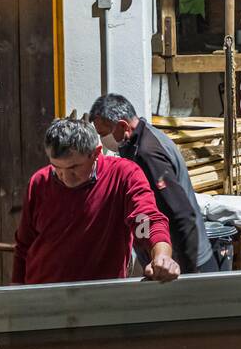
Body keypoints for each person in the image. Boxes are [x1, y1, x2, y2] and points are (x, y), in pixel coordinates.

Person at [12, 116, 180, 285]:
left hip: (100, 294)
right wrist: (16, 288)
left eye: (74, 168)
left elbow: (144, 220)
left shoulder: (123, 175)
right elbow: (24, 244)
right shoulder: (40, 181)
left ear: (96, 153)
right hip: (42, 290)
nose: (66, 178)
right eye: (57, 168)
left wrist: (161, 255)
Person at [88, 93, 217, 274]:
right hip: (171, 262)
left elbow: (181, 215)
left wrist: (190, 272)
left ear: (123, 126)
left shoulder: (147, 155)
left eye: (104, 134)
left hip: (183, 264)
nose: (104, 140)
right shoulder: (141, 141)